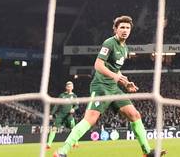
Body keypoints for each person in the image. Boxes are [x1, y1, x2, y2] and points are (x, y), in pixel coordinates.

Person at [54, 16, 163, 157]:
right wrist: (115, 76)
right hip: (101, 86)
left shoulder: (125, 49)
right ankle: (62, 151)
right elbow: (98, 65)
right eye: (122, 27)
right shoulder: (109, 43)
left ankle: (147, 152)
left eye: (127, 28)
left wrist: (125, 82)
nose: (125, 30)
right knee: (90, 119)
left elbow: (115, 69)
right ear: (116, 29)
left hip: (114, 88)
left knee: (135, 115)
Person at [47, 81, 78, 150]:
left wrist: (73, 109)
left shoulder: (74, 96)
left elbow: (77, 106)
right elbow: (57, 105)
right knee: (54, 128)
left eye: (70, 86)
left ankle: (76, 143)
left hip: (69, 116)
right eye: (68, 86)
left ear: (72, 87)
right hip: (60, 115)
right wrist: (51, 114)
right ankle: (48, 144)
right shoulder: (62, 95)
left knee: (73, 129)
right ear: (66, 87)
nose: (69, 87)